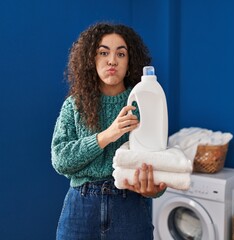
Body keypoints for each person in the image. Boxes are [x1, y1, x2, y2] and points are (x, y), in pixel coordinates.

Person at [51, 22, 167, 240]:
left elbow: (159, 162)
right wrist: (108, 135)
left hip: (130, 207)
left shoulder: (145, 101)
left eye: (121, 54)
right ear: (91, 59)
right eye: (103, 52)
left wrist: (154, 189)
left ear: (130, 61)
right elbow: (60, 160)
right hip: (80, 210)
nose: (112, 60)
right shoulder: (75, 104)